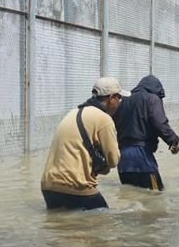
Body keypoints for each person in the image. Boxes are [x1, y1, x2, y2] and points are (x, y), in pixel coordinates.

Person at [40, 76, 128, 210]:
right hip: (76, 186)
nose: (120, 102)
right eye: (119, 98)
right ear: (112, 98)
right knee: (105, 224)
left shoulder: (73, 112)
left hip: (49, 187)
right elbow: (114, 160)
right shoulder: (104, 119)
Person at [115, 74, 179, 191]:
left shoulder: (123, 100)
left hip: (123, 160)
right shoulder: (152, 99)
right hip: (142, 159)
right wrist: (174, 141)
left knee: (130, 197)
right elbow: (160, 123)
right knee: (157, 195)